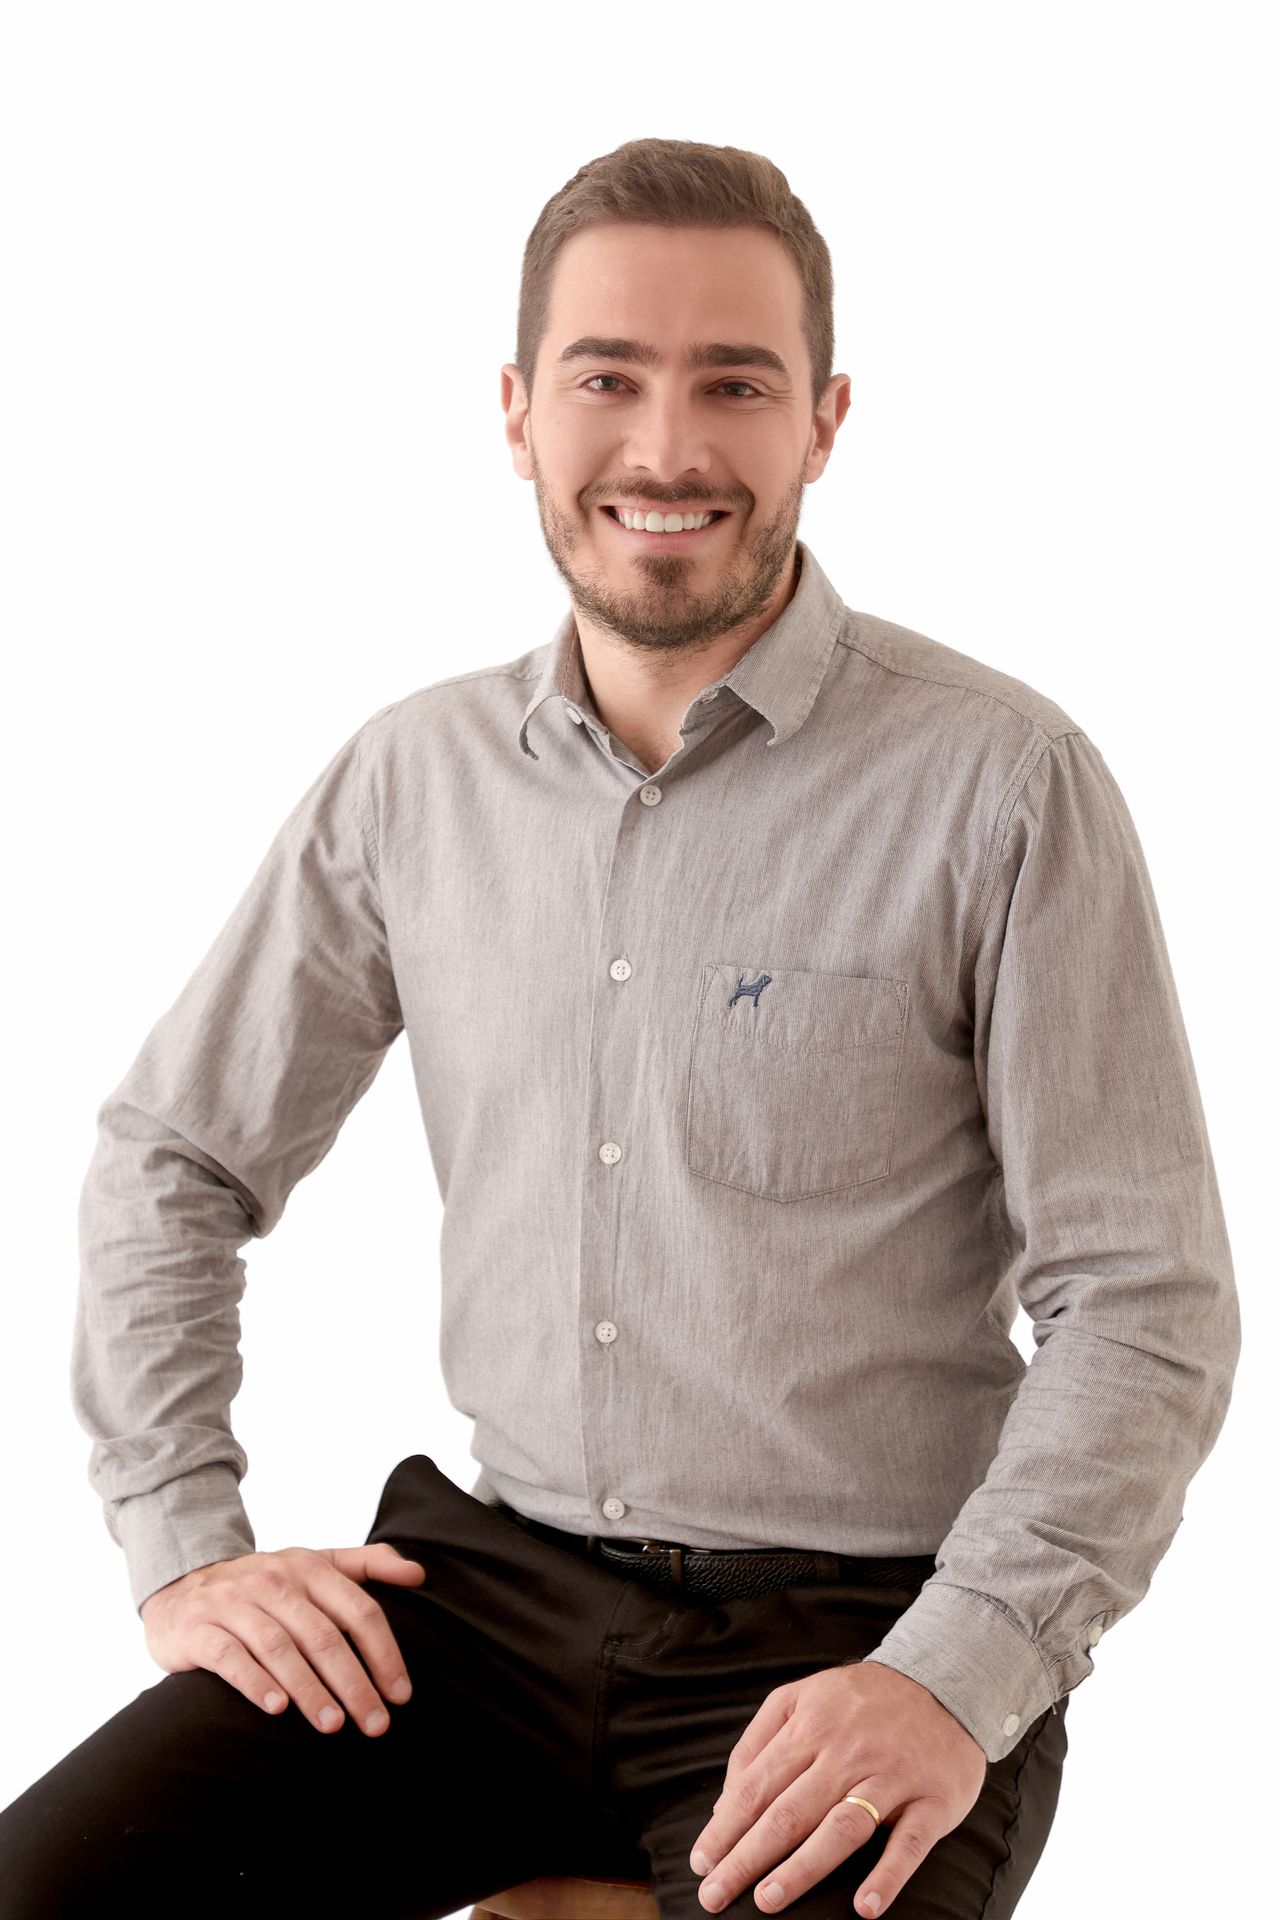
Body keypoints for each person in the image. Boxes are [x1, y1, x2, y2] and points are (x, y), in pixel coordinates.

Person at [0, 137, 1240, 1919]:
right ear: (517, 414)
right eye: (606, 379)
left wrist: (956, 1670)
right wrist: (184, 1542)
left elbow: (1143, 1300)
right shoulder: (411, 779)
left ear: (822, 423)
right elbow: (173, 1158)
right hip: (481, 1610)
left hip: (854, 1637)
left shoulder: (1003, 784)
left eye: (734, 383)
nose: (667, 449)